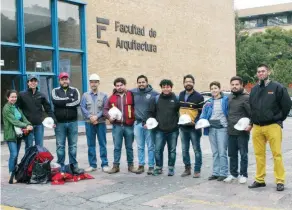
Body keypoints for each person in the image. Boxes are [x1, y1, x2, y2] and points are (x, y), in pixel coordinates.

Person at [248, 64, 292, 191]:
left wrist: (278, 118)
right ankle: (260, 179)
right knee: (258, 155)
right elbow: (252, 108)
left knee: (277, 154)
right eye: (258, 72)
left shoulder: (277, 87)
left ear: (268, 72)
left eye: (263, 71)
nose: (261, 73)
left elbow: (287, 105)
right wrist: (251, 122)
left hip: (273, 126)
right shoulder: (255, 89)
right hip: (257, 127)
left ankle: (280, 180)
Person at [146, 79, 180, 176]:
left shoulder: (176, 99)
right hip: (159, 130)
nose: (166, 89)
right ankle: (159, 167)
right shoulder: (156, 99)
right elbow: (150, 113)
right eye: (164, 87)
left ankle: (171, 168)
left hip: (173, 130)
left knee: (172, 150)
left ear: (171, 87)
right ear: (161, 88)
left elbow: (181, 112)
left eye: (168, 87)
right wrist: (148, 122)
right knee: (158, 150)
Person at [51, 72, 83, 174]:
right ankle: (60, 167)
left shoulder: (75, 90)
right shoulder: (55, 91)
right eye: (62, 79)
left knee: (73, 146)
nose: (65, 81)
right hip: (60, 123)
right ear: (59, 81)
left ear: (68, 80)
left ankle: (74, 166)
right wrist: (69, 100)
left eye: (66, 79)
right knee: (60, 146)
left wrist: (63, 103)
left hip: (73, 122)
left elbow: (77, 102)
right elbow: (56, 101)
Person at [103, 77, 136, 174]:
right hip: (117, 126)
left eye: (121, 85)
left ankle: (131, 166)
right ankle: (115, 166)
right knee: (117, 147)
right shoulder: (111, 97)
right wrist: (109, 117)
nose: (119, 87)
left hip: (129, 125)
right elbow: (105, 109)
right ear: (115, 87)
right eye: (117, 86)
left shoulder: (131, 95)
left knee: (129, 147)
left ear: (125, 85)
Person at [17, 75, 56, 151]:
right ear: (28, 83)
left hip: (39, 125)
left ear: (37, 83)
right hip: (27, 125)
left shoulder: (41, 95)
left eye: (35, 81)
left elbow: (48, 109)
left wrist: (53, 120)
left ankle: (37, 163)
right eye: (31, 81)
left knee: (39, 146)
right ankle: (28, 163)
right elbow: (18, 109)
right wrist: (21, 123)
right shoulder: (22, 95)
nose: (33, 83)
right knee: (29, 146)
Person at [224, 76, 251, 184]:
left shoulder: (246, 98)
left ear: (241, 85)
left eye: (236, 84)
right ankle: (233, 174)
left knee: (243, 154)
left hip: (242, 132)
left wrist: (250, 125)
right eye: (233, 84)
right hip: (231, 131)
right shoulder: (230, 97)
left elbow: (251, 114)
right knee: (232, 154)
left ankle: (243, 174)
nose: (234, 86)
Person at [200, 81, 229, 181]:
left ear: (220, 89)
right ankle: (215, 173)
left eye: (216, 88)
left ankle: (224, 172)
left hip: (222, 129)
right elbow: (203, 115)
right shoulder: (208, 102)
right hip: (211, 128)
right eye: (212, 88)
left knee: (222, 152)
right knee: (215, 152)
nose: (214, 90)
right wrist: (201, 121)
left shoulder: (226, 100)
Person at [80, 73, 110, 172]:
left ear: (99, 83)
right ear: (89, 83)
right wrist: (90, 117)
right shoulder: (85, 95)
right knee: (91, 144)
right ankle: (92, 165)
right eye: (92, 82)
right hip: (89, 123)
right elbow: (83, 107)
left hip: (100, 122)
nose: (94, 84)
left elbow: (105, 108)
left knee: (102, 143)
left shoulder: (104, 95)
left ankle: (104, 164)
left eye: (96, 82)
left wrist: (97, 116)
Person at [131, 75, 159, 175]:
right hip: (138, 123)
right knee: (140, 146)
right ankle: (141, 165)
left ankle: (151, 166)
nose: (141, 84)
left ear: (147, 83)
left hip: (149, 124)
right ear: (137, 83)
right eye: (139, 82)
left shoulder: (154, 94)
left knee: (151, 146)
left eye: (143, 82)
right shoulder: (133, 92)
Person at [2, 90, 33, 178]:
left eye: (15, 97)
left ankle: (14, 173)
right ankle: (11, 175)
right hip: (11, 135)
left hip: (18, 134)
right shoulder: (6, 108)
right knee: (14, 154)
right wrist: (26, 125)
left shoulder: (16, 107)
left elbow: (23, 117)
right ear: (8, 98)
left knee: (16, 155)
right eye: (12, 97)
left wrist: (29, 124)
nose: (14, 98)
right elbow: (14, 121)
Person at [179, 75, 204, 178]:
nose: (188, 83)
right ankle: (187, 168)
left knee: (196, 149)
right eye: (186, 81)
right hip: (183, 127)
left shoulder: (199, 96)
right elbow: (178, 109)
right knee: (184, 150)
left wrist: (196, 122)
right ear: (184, 83)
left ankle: (197, 170)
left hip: (194, 128)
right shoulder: (180, 94)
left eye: (190, 81)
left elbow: (202, 112)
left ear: (193, 83)